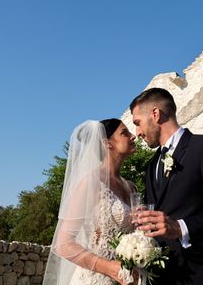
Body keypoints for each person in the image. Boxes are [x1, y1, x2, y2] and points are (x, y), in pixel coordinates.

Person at [130, 87, 203, 285]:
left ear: (155, 114)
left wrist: (181, 227)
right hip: (163, 278)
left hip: (202, 275)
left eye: (138, 123)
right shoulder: (151, 165)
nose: (137, 132)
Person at [44, 118, 137, 285]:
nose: (133, 136)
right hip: (95, 279)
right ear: (107, 143)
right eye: (125, 133)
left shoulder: (131, 187)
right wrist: (110, 268)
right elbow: (63, 244)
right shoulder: (91, 183)